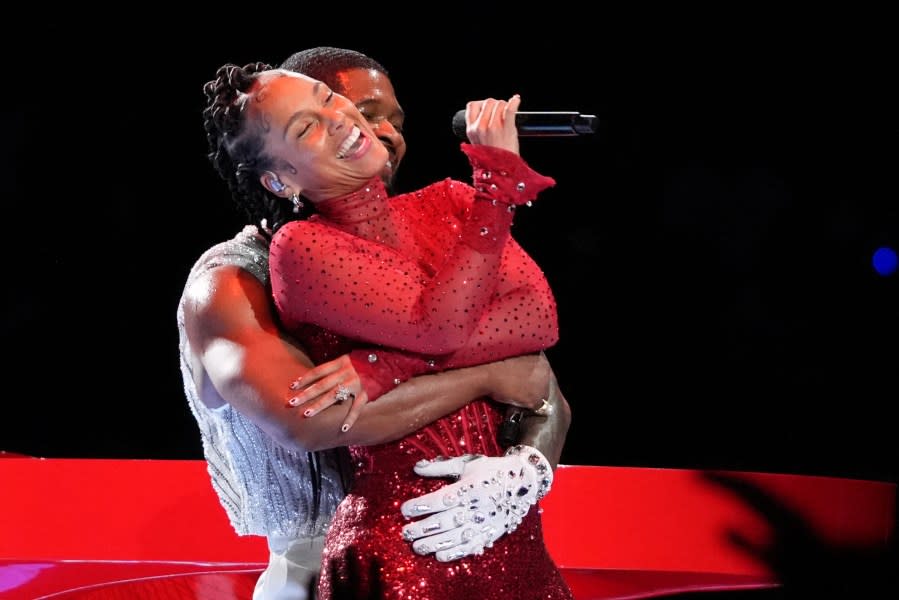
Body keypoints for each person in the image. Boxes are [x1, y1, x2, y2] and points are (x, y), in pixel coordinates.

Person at [183, 48, 570, 600]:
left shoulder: (443, 211)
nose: (375, 129)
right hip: (322, 559)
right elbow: (312, 420)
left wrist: (527, 468)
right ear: (279, 174)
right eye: (313, 120)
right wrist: (484, 375)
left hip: (494, 525)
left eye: (392, 116)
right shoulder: (232, 277)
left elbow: (536, 368)